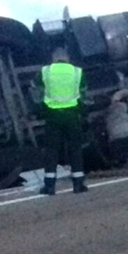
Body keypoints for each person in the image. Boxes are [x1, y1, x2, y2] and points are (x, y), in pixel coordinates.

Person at [39, 47, 87, 195]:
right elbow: (83, 91)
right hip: (72, 115)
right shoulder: (77, 72)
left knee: (52, 151)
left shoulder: (46, 71)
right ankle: (78, 184)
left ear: (54, 58)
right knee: (75, 149)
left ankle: (50, 186)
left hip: (52, 115)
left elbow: (36, 89)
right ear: (67, 58)